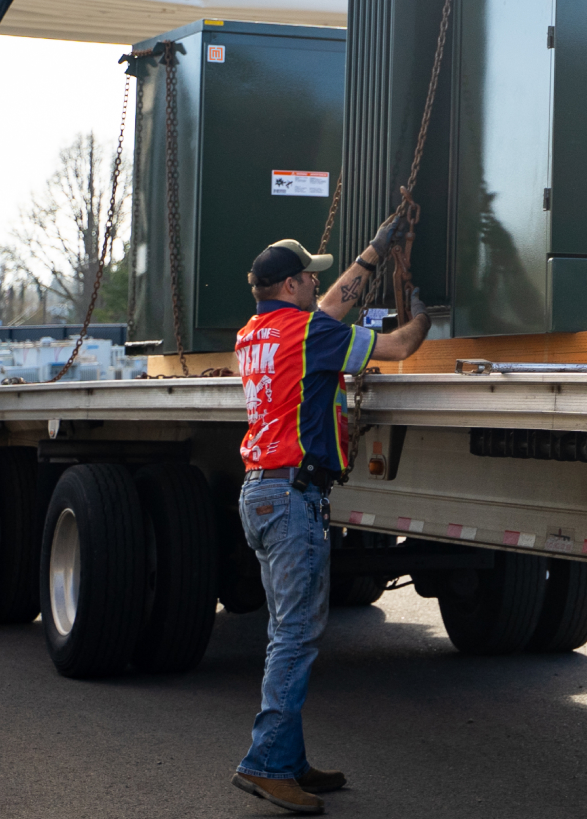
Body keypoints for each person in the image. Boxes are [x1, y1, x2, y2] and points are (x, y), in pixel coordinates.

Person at [230, 217, 433, 815]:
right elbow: (398, 348)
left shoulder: (254, 333)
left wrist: (374, 252)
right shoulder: (307, 333)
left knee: (285, 632)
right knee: (295, 636)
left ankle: (288, 759)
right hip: (292, 497)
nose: (319, 285)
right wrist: (423, 313)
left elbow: (329, 309)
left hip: (262, 493)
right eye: (310, 278)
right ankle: (265, 764)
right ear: (290, 285)